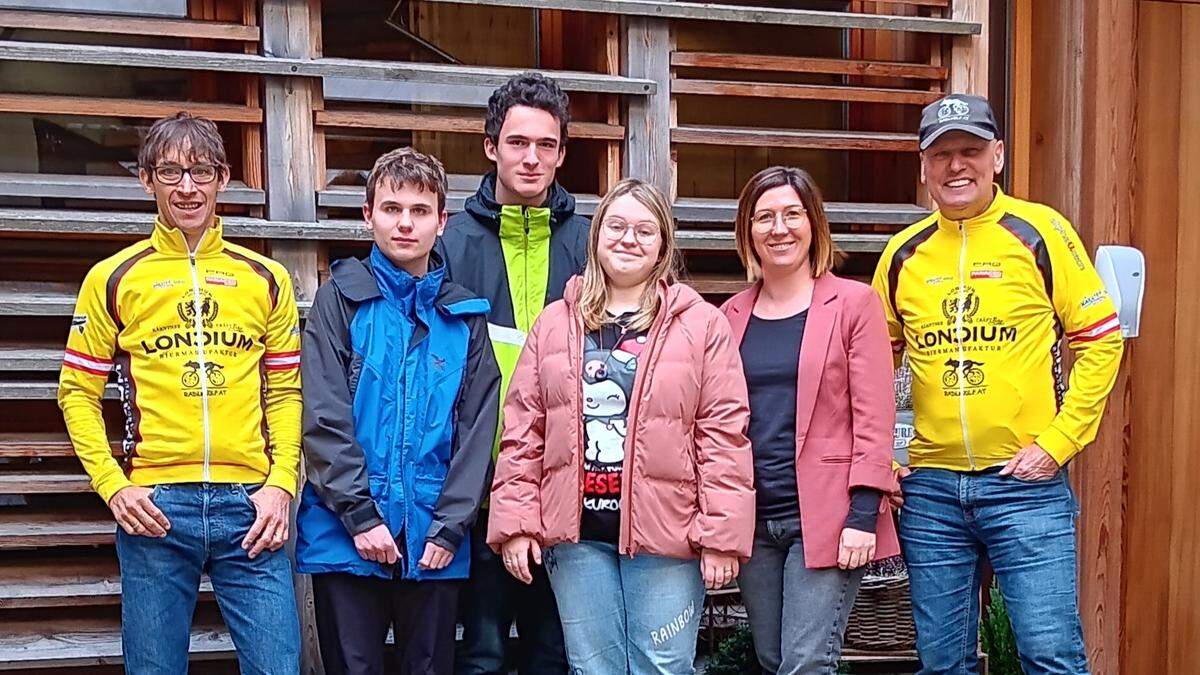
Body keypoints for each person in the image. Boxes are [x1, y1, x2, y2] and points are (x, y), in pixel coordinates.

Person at [871, 94, 1124, 674]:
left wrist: (1059, 443)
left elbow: (1100, 338)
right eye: (941, 155)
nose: (956, 166)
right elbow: (869, 366)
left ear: (999, 156)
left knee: (1050, 655)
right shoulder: (902, 254)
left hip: (1024, 483)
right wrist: (883, 454)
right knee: (942, 664)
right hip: (931, 491)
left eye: (971, 151)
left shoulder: (1040, 232)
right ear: (923, 167)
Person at [58, 111, 302, 673]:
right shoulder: (114, 277)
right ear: (147, 180)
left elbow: (285, 390)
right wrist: (113, 486)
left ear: (223, 177)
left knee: (278, 667)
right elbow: (76, 392)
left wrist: (281, 485)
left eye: (200, 171)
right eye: (170, 172)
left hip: (251, 508)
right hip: (156, 507)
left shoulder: (265, 277)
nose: (186, 187)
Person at [488, 178, 755, 675]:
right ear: (596, 236)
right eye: (616, 226)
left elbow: (722, 434)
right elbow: (523, 430)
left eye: (644, 230)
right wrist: (517, 523)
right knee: (593, 669)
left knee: (663, 666)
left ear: (662, 246)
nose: (628, 239)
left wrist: (721, 534)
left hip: (669, 538)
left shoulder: (701, 325)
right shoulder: (555, 323)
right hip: (577, 537)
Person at [294, 147, 501, 675]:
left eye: (420, 210)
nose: (405, 223)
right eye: (391, 209)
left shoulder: (464, 316)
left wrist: (450, 527)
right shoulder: (340, 299)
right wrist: (360, 516)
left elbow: (478, 430)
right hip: (345, 534)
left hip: (434, 538)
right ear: (368, 215)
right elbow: (323, 416)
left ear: (442, 221)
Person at [720, 166, 901, 674]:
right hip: (752, 520)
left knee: (805, 663)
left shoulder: (855, 304)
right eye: (764, 217)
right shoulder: (729, 315)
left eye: (792, 214)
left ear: (813, 224)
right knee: (774, 658)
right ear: (748, 231)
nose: (779, 228)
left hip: (826, 517)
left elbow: (875, 416)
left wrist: (864, 515)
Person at [435, 71, 587, 675]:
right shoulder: (450, 242)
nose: (531, 157)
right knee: (482, 653)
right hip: (477, 484)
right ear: (490, 146)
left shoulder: (590, 240)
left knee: (556, 654)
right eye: (518, 142)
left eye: (546, 145)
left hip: (569, 481)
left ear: (562, 154)